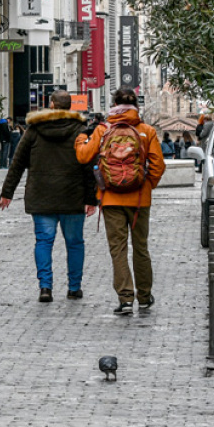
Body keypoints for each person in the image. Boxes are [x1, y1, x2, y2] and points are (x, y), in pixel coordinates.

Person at [0, 90, 98, 303]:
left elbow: (17, 163)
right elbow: (88, 166)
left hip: (41, 195)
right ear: (70, 107)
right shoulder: (80, 130)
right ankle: (74, 287)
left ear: (51, 105)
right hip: (73, 196)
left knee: (43, 241)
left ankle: (45, 287)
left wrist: (7, 193)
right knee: (75, 243)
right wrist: (91, 199)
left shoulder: (34, 130)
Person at [75, 87, 166, 315]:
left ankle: (126, 299)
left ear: (113, 104)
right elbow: (158, 166)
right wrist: (146, 185)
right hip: (139, 201)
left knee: (118, 250)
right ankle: (144, 296)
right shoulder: (146, 131)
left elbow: (84, 156)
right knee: (141, 248)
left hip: (111, 198)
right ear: (136, 104)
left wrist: (80, 139)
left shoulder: (104, 130)